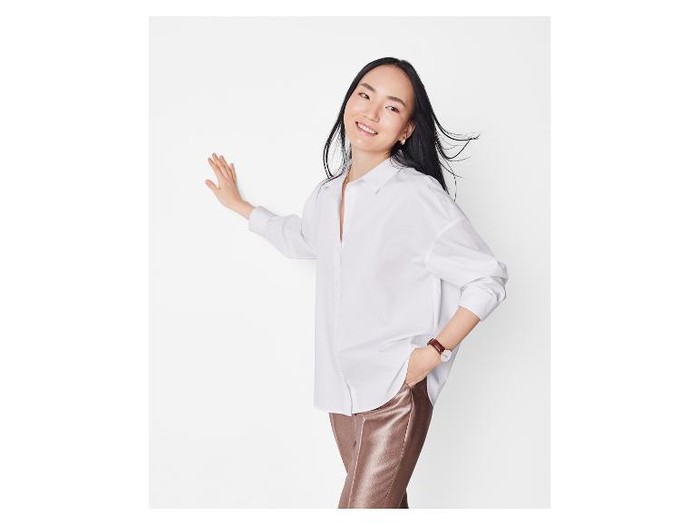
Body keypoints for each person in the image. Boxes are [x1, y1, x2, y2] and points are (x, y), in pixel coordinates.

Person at [205, 57, 509, 508]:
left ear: (406, 129)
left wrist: (433, 352)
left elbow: (488, 276)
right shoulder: (327, 196)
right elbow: (300, 238)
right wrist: (241, 207)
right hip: (340, 396)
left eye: (391, 107)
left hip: (395, 392)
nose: (371, 112)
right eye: (365, 95)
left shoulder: (415, 195)